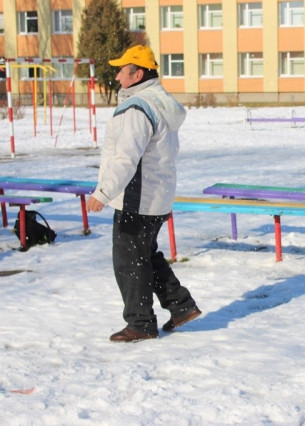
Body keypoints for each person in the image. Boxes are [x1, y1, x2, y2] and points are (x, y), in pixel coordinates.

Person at [87, 45, 201, 342]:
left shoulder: (138, 107)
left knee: (129, 262)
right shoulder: (159, 103)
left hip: (137, 198)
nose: (117, 76)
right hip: (156, 196)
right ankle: (181, 306)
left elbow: (126, 157)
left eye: (121, 70)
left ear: (137, 74)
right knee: (144, 254)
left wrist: (103, 192)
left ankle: (140, 323)